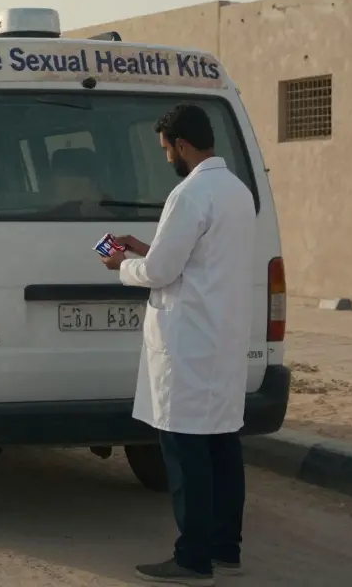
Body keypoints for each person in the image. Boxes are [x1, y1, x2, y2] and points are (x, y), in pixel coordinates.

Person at [100, 104, 255, 586]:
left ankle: (192, 559)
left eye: (167, 149)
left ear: (182, 146)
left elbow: (162, 272)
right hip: (223, 338)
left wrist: (122, 265)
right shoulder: (236, 191)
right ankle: (226, 550)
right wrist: (147, 247)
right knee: (223, 448)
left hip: (188, 343)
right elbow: (200, 256)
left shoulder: (188, 194)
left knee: (186, 454)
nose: (167, 157)